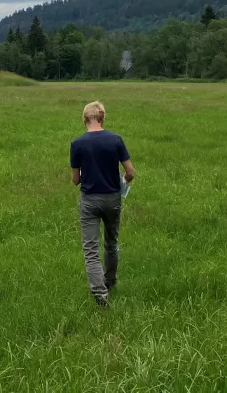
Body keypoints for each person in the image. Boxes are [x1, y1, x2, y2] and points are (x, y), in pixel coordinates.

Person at [70, 101, 136, 308]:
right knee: (111, 243)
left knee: (90, 249)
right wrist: (122, 182)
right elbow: (131, 172)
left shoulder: (77, 144)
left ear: (84, 119)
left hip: (89, 200)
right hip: (112, 198)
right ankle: (110, 281)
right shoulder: (116, 140)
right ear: (102, 118)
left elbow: (75, 180)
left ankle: (100, 294)